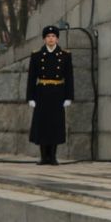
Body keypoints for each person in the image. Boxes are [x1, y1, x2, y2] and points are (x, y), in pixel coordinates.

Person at [26, 25, 74, 165]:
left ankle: (52, 156)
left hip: (58, 93)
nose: (51, 39)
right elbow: (31, 77)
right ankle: (43, 157)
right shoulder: (37, 55)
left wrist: (68, 96)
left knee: (55, 124)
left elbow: (69, 77)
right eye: (48, 36)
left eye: (53, 36)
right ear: (44, 39)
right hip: (42, 92)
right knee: (42, 124)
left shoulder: (65, 55)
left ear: (57, 39)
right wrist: (30, 97)